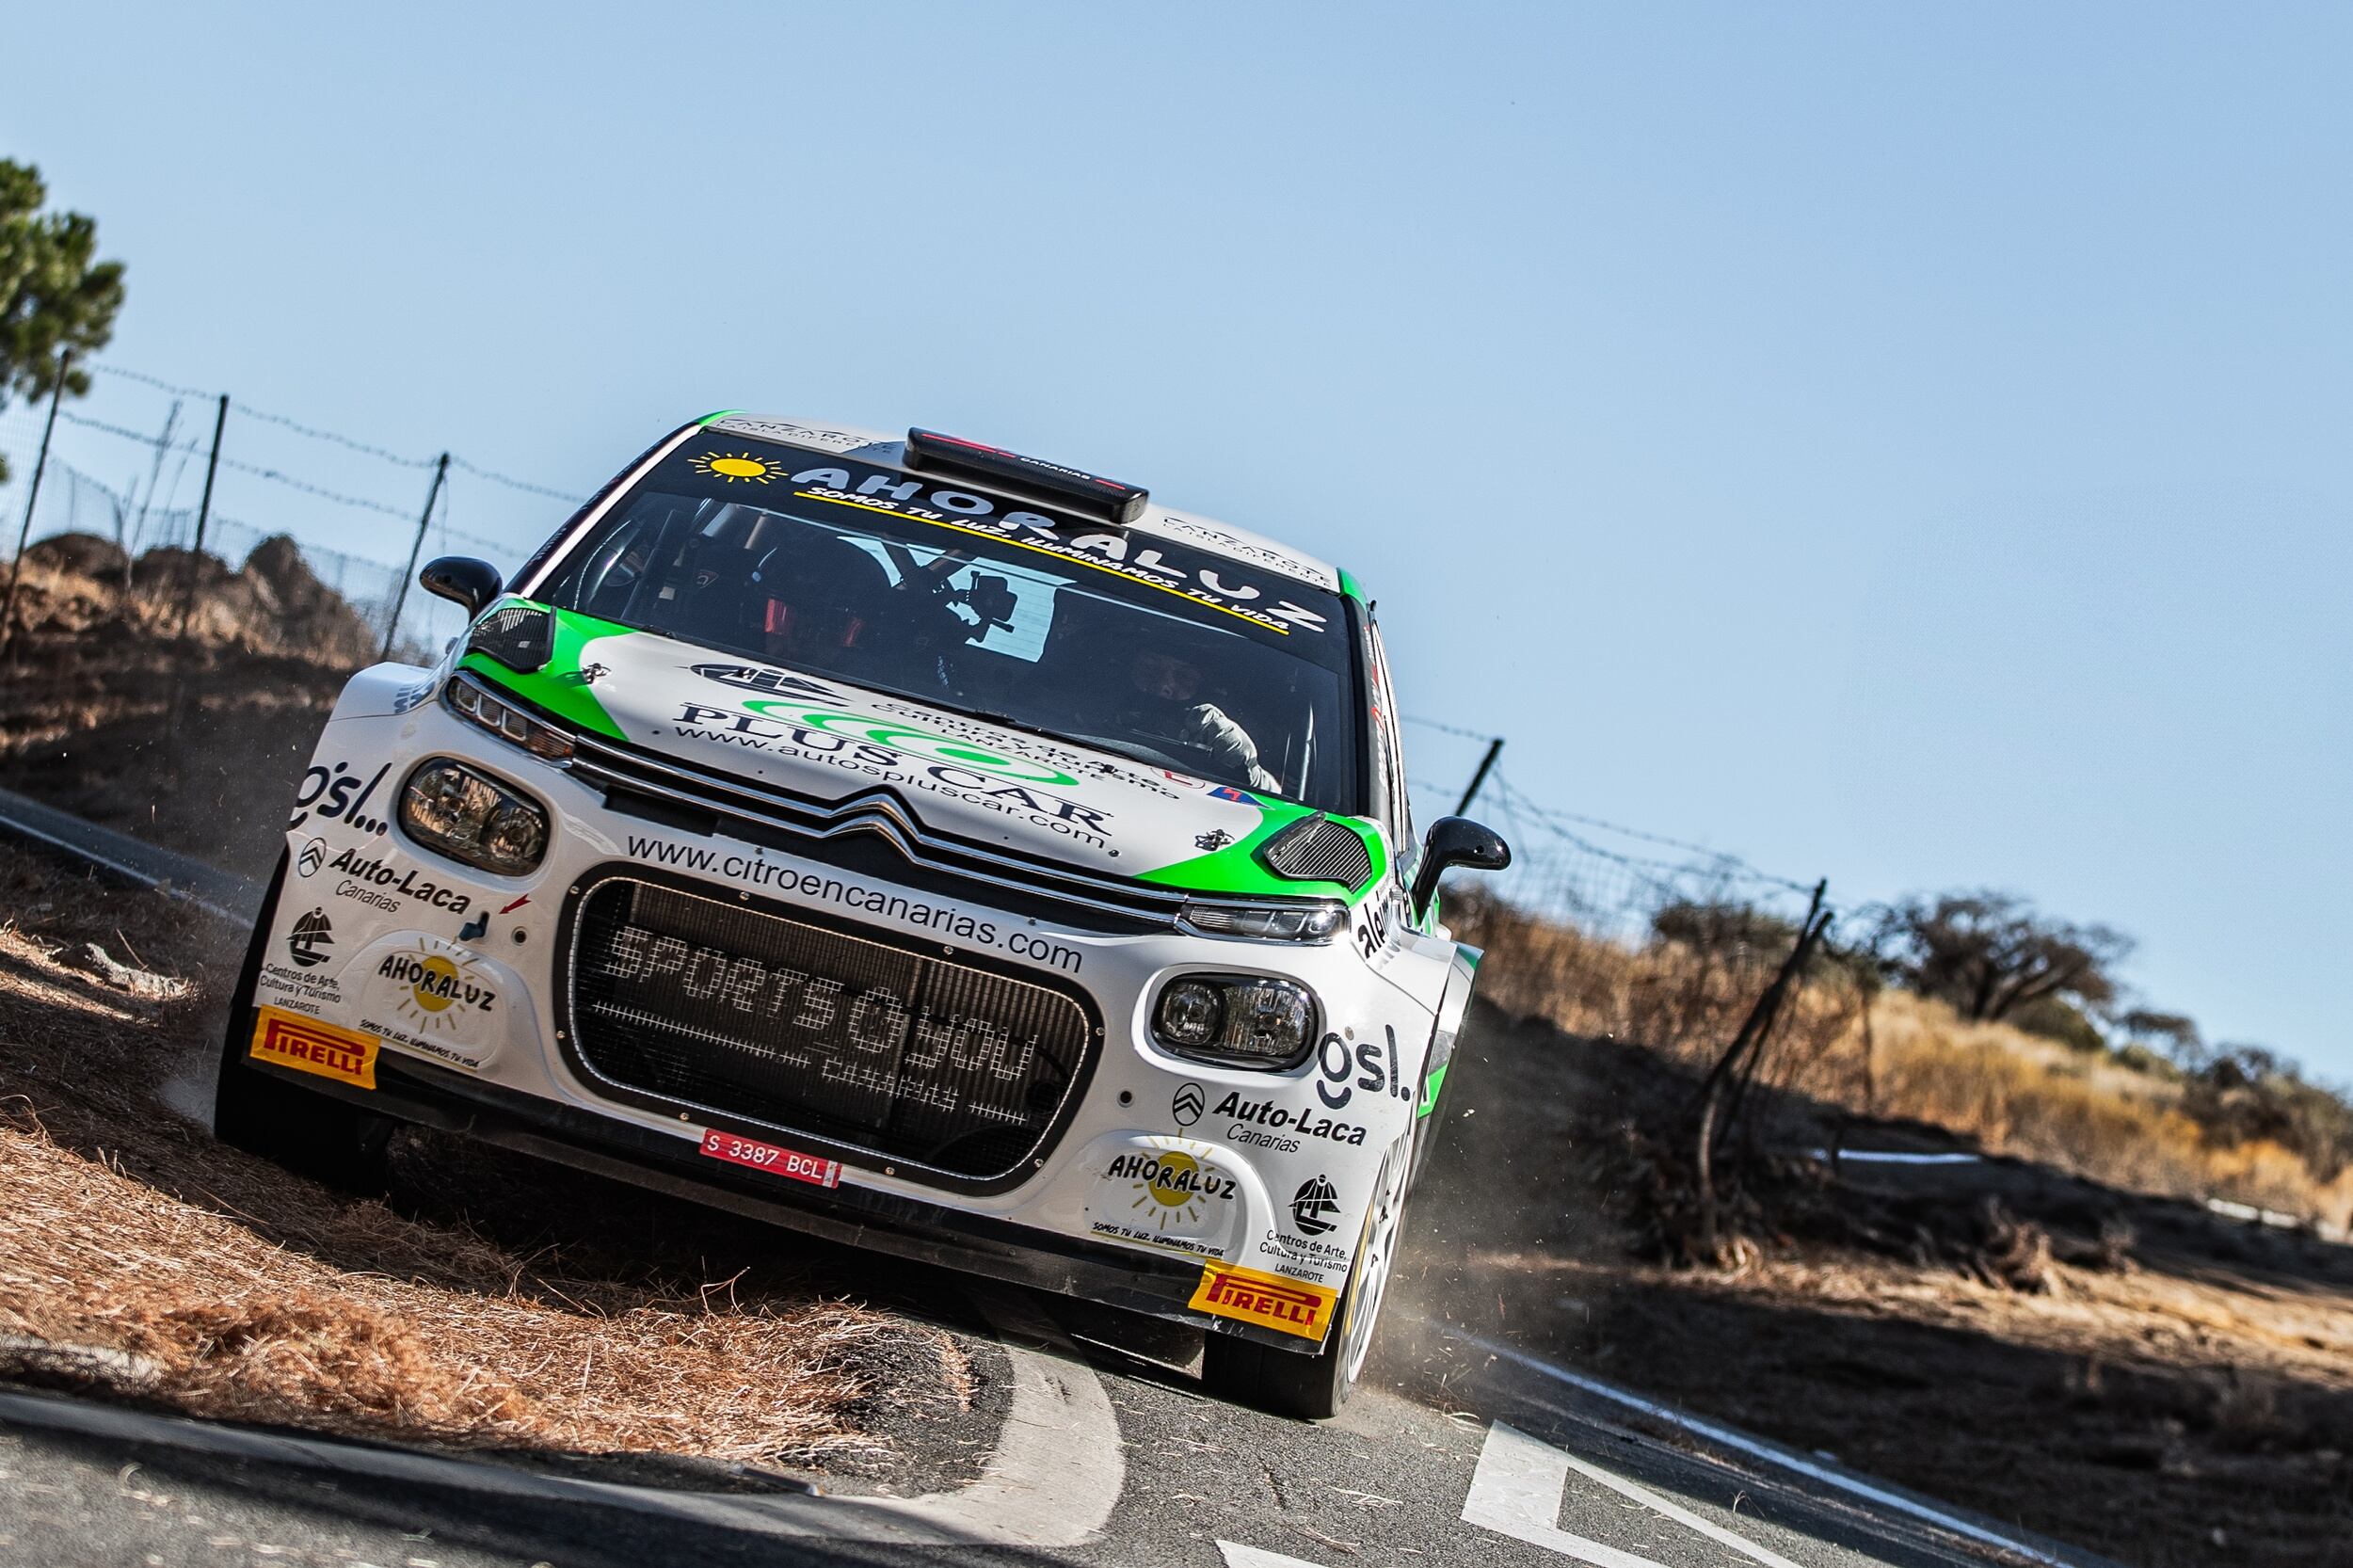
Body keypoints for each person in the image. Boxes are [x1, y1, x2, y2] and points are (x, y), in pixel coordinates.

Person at [1121, 648, 1280, 793]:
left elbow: (1271, 801)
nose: (1163, 685)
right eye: (1150, 669)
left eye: (1184, 676)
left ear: (1205, 686)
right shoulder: (1106, 702)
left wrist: (1245, 767)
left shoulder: (1216, 732)